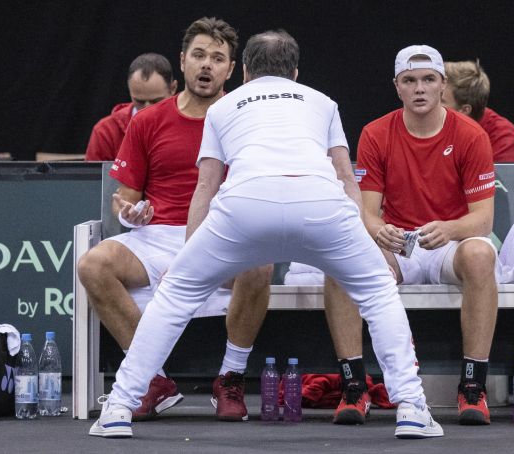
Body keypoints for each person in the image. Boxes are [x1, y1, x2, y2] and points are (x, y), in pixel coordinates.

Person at [88, 29, 443, 441]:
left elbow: (206, 187)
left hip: (244, 205)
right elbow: (347, 178)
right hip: (321, 204)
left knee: (174, 298)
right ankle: (414, 409)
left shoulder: (223, 108)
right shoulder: (323, 102)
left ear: (243, 73)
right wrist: (360, 241)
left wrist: (187, 261)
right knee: (379, 293)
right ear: (294, 72)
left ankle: (118, 408)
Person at [77, 17, 272, 422]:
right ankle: (153, 380)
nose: (206, 66)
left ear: (231, 69)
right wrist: (130, 212)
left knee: (261, 263)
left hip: (223, 236)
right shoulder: (147, 121)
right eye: (199, 55)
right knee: (93, 263)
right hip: (157, 237)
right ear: (182, 62)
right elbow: (126, 198)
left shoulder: (250, 119)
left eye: (218, 58)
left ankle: (230, 378)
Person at [323, 45, 500, 426]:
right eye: (410, 81)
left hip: (448, 243)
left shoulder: (471, 135)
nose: (419, 88)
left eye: (428, 80)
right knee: (340, 266)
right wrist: (379, 231)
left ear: (442, 85)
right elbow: (367, 212)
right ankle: (354, 388)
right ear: (397, 87)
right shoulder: (375, 133)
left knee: (481, 256)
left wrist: (448, 228)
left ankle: (473, 387)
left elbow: (483, 219)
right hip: (400, 245)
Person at [85, 53, 178, 161]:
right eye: (139, 101)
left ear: (173, 88)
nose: (147, 109)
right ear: (130, 90)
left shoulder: (189, 124)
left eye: (155, 101)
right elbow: (94, 177)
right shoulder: (106, 131)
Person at [441, 60, 514, 163]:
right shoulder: (422, 121)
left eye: (440, 100)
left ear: (464, 110)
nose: (430, 103)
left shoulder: (500, 136)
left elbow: (504, 178)